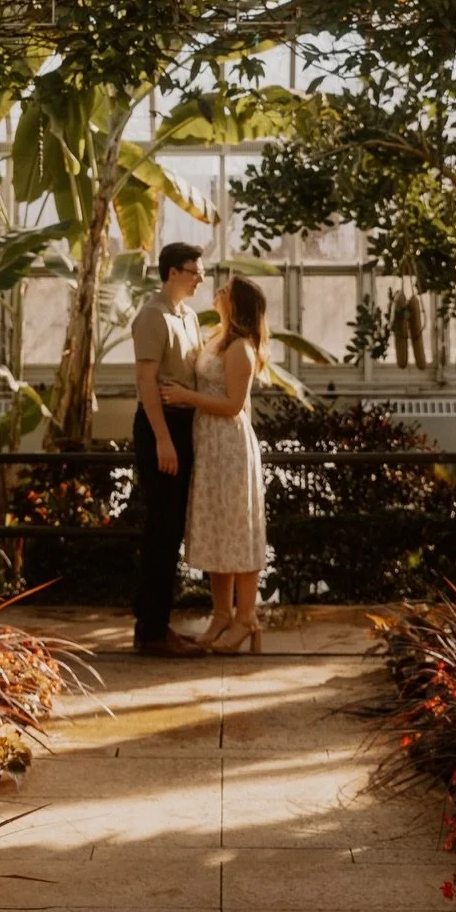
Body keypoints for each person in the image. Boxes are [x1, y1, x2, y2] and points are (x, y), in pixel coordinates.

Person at [161, 274, 269, 654]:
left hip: (229, 447)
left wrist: (186, 396)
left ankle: (246, 618)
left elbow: (233, 406)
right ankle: (221, 613)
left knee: (238, 529)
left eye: (225, 291)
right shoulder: (215, 338)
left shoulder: (240, 348)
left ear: (236, 304)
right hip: (209, 445)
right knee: (218, 528)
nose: (217, 292)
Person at [130, 241, 207, 656]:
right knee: (160, 528)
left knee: (171, 528)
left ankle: (159, 624)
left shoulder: (188, 317)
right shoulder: (152, 316)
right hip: (161, 427)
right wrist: (162, 438)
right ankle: (151, 631)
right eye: (193, 271)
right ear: (172, 273)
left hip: (182, 425)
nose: (199, 279)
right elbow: (146, 383)